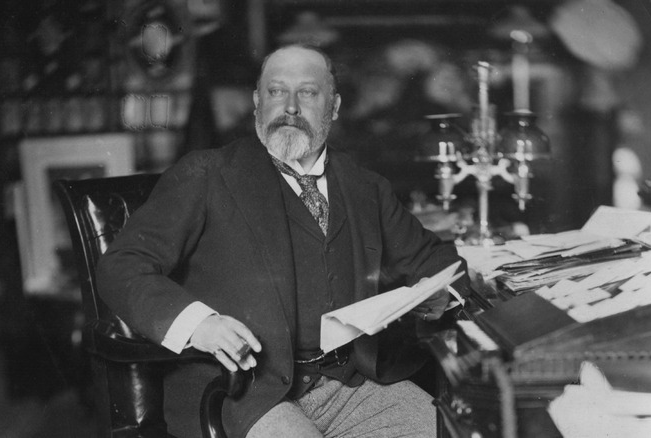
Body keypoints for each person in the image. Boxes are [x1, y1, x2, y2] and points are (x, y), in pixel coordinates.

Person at [96, 44, 470, 438]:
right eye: (276, 91)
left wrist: (439, 294)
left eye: (307, 92)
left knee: (450, 430)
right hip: (240, 393)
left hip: (350, 383)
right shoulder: (206, 174)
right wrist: (200, 324)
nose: (290, 107)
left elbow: (434, 259)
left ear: (334, 107)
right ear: (258, 102)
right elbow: (122, 265)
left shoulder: (365, 187)